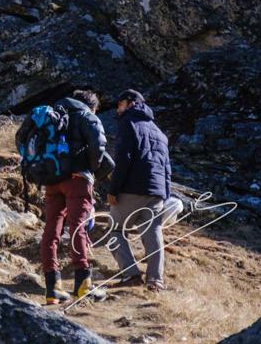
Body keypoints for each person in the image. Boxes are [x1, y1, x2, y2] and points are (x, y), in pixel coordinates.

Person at [39, 89, 108, 305]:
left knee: (51, 229)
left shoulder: (52, 114)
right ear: (92, 106)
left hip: (52, 178)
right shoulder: (87, 115)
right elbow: (98, 145)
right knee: (78, 227)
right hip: (77, 180)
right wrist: (90, 169)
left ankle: (53, 288)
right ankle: (83, 284)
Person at [107, 89, 172, 292]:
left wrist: (113, 190)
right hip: (157, 191)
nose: (118, 109)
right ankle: (155, 280)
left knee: (113, 230)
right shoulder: (159, 133)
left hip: (132, 188)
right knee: (153, 231)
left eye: (120, 104)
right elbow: (167, 168)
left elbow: (123, 159)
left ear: (130, 103)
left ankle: (131, 273)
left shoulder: (128, 122)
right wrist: (165, 194)